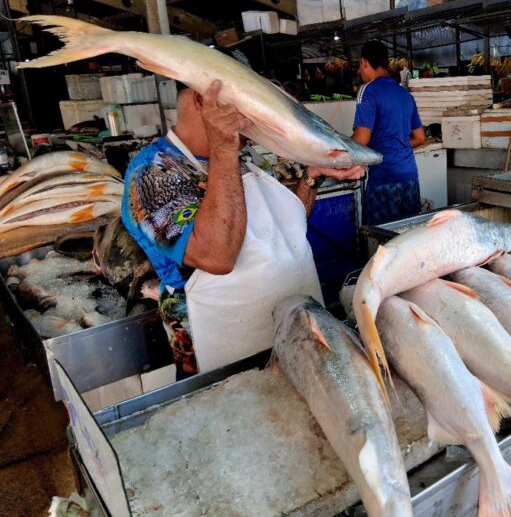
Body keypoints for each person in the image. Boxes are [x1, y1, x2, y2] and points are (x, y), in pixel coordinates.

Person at [122, 80, 364, 378]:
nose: (254, 122)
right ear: (202, 101)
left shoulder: (247, 155)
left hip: (290, 332)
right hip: (226, 351)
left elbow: (284, 226)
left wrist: (311, 176)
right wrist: (223, 148)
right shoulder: (152, 173)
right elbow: (217, 257)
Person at [352, 40, 426, 225]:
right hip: (410, 179)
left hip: (384, 179)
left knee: (380, 236)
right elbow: (419, 138)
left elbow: (361, 140)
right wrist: (395, 145)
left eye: (360, 66)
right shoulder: (405, 94)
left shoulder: (368, 91)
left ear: (364, 62)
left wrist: (336, 153)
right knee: (407, 234)